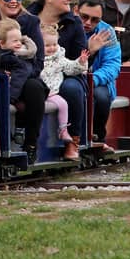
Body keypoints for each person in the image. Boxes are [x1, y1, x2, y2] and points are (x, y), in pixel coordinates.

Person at [0, 0, 47, 161]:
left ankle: (31, 144)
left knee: (35, 88)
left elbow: (38, 61)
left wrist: (19, 74)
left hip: (24, 73)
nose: (14, 1)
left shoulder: (30, 22)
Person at [76, 0, 122, 149]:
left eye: (95, 20)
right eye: (84, 17)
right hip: (69, 77)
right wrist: (89, 50)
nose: (88, 23)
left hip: (96, 81)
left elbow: (113, 65)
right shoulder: (67, 27)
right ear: (76, 11)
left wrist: (93, 79)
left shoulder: (107, 32)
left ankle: (98, 137)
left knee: (101, 97)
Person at [39, 25, 88, 161]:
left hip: (53, 93)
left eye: (54, 44)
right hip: (40, 92)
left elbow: (71, 68)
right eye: (47, 45)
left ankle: (63, 130)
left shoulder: (59, 59)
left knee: (63, 104)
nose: (52, 48)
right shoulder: (36, 59)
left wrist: (80, 62)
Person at [0, 19, 40, 149]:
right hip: (9, 93)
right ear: (2, 44)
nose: (19, 43)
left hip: (15, 93)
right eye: (15, 41)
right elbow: (18, 77)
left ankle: (19, 131)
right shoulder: (8, 57)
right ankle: (11, 133)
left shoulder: (21, 56)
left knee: (24, 106)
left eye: (20, 40)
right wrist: (11, 97)